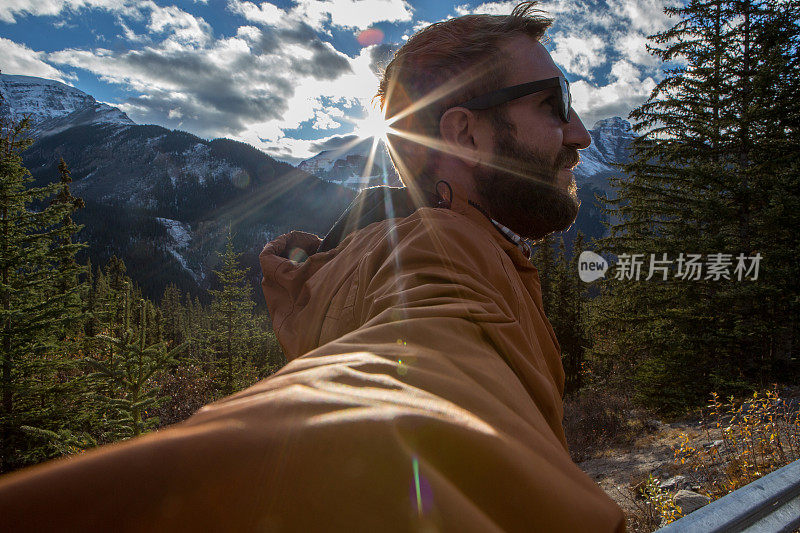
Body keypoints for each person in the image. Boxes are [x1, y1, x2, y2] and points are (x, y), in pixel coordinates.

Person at [0, 2, 625, 531]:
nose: (579, 134)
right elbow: (409, 376)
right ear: (462, 133)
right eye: (553, 102)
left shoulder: (369, 250)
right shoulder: (446, 253)